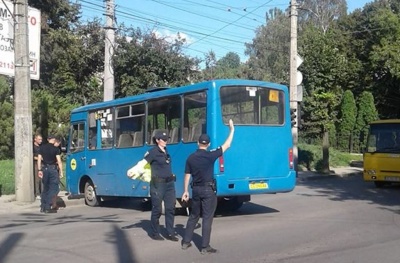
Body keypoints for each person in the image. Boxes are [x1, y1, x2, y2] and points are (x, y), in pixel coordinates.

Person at [181, 119, 234, 254]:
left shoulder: (190, 158)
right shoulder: (211, 155)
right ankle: (205, 247)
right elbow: (227, 145)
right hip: (208, 190)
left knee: (194, 215)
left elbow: (187, 175)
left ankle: (186, 242)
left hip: (196, 190)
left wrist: (185, 191)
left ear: (198, 143)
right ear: (208, 144)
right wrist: (232, 129)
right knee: (207, 217)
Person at [127, 131, 178, 241]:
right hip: (157, 184)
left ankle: (170, 232)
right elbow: (142, 163)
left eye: (166, 139)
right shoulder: (153, 152)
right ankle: (155, 233)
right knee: (157, 209)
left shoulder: (166, 151)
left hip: (169, 183)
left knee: (170, 208)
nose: (166, 141)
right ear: (157, 140)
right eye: (163, 140)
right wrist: (132, 172)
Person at [37, 135, 64, 213]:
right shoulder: (55, 149)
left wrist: (39, 170)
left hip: (44, 168)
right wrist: (61, 172)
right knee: (53, 188)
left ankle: (42, 206)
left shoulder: (42, 148)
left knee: (45, 187)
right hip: (52, 169)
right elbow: (59, 161)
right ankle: (48, 206)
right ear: (53, 140)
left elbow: (39, 159)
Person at [33, 134, 43, 199]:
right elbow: (32, 157)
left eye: (41, 139)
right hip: (36, 164)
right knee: (37, 179)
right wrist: (39, 158)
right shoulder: (33, 147)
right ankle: (37, 193)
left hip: (42, 163)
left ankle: (42, 192)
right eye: (39, 139)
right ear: (35, 139)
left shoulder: (41, 146)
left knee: (42, 179)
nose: (41, 141)